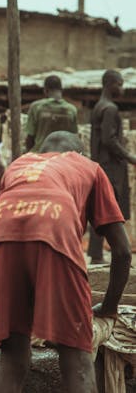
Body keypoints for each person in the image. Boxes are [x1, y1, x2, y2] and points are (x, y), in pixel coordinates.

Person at [0, 130, 131, 393]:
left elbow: (25, 244)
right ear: (77, 151)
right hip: (54, 229)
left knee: (12, 357)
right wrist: (107, 309)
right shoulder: (89, 167)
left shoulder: (18, 165)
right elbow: (122, 253)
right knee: (78, 364)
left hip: (0, 237)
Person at [88, 69, 136, 264]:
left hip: (101, 165)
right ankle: (113, 253)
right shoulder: (110, 109)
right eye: (120, 84)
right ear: (110, 84)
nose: (122, 89)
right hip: (111, 168)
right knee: (110, 211)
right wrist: (131, 157)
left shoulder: (99, 107)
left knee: (100, 209)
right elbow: (109, 140)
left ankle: (97, 254)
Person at [25, 75, 78, 152]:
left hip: (41, 155)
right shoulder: (71, 110)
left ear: (45, 90)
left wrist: (28, 155)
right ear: (61, 90)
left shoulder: (36, 107)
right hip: (63, 156)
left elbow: (30, 137)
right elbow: (74, 138)